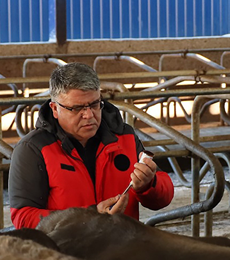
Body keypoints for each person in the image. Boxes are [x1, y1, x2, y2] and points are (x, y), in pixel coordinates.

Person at [9, 62, 173, 229]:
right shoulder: (33, 149)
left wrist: (148, 184)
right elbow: (23, 218)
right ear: (55, 109)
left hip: (123, 249)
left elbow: (164, 197)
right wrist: (89, 217)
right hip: (66, 252)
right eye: (77, 108)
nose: (88, 115)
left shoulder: (124, 137)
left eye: (94, 104)